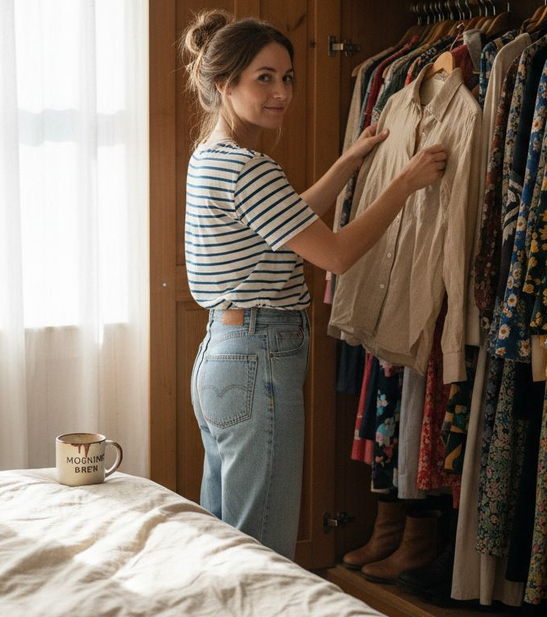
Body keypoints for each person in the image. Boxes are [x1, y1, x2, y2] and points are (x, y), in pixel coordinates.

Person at [180, 9, 449, 560]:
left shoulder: (212, 157)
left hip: (223, 355)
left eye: (288, 77)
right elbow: (337, 253)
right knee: (262, 547)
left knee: (224, 540)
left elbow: (289, 224)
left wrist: (349, 164)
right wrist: (405, 182)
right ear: (223, 84)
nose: (282, 92)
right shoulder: (249, 167)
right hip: (259, 355)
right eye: (264, 78)